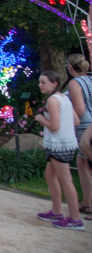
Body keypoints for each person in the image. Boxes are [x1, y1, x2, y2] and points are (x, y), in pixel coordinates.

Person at [34, 70, 84, 230]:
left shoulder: (53, 100)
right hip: (65, 143)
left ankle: (75, 219)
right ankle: (56, 212)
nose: (40, 85)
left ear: (54, 84)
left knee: (66, 181)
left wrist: (43, 119)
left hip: (59, 145)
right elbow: (75, 121)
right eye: (40, 82)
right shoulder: (64, 98)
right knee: (50, 175)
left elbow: (54, 126)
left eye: (43, 82)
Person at [65, 53, 92, 219]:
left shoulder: (75, 83)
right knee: (82, 163)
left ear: (69, 67)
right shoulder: (89, 80)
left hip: (84, 125)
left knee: (88, 165)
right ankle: (87, 202)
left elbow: (80, 110)